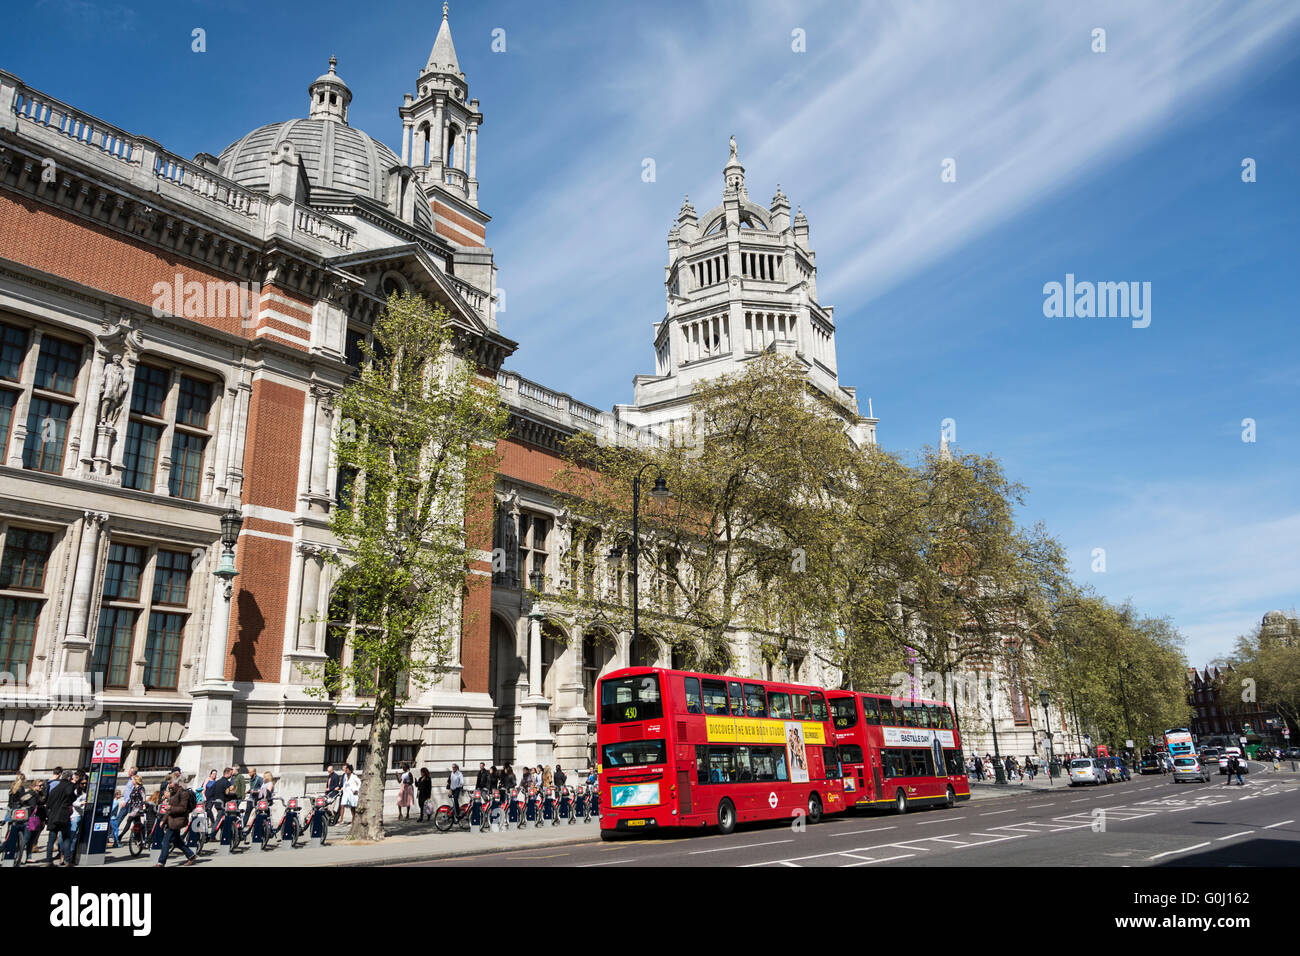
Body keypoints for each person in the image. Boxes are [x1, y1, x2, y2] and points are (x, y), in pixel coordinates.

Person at [155, 782, 197, 867]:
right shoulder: (174, 793)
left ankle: (161, 862)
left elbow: (183, 809)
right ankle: (191, 855)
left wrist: (171, 808)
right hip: (172, 820)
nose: (169, 785)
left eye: (171, 782)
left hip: (178, 821)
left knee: (165, 841)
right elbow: (169, 809)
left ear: (177, 783)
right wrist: (163, 820)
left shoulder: (183, 793)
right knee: (177, 841)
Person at [44, 770, 77, 866]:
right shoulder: (69, 786)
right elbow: (71, 795)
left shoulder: (55, 788)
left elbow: (49, 803)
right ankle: (67, 860)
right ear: (69, 777)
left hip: (53, 815)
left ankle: (48, 860)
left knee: (51, 839)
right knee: (66, 838)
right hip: (63, 815)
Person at [7, 774, 38, 862]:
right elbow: (22, 800)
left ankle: (7, 847)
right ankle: (17, 853)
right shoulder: (21, 788)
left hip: (12, 810)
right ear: (23, 779)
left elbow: (10, 801)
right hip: (19, 812)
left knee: (11, 831)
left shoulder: (12, 787)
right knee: (21, 833)